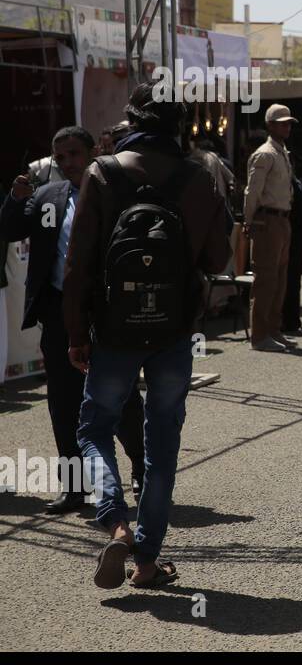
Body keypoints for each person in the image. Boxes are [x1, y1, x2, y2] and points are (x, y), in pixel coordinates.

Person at [64, 80, 232, 589]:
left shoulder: (103, 172)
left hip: (113, 329)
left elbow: (78, 267)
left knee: (94, 430)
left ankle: (116, 523)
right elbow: (217, 259)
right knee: (161, 446)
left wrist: (77, 335)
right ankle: (146, 562)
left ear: (132, 120)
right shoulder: (198, 177)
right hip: (173, 330)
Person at [0, 126, 145, 514]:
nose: (66, 163)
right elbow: (10, 230)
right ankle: (75, 487)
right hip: (60, 314)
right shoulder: (47, 196)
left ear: (92, 151)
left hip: (109, 310)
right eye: (59, 157)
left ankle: (142, 472)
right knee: (63, 403)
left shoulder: (118, 190)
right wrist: (15, 199)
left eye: (73, 154)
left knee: (122, 396)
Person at [243, 103, 299, 352]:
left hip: (282, 219)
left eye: (289, 123)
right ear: (270, 125)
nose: (287, 126)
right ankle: (259, 335)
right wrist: (249, 220)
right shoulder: (265, 153)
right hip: (267, 220)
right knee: (266, 279)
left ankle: (273, 330)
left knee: (279, 279)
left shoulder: (280, 152)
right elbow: (252, 190)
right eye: (282, 122)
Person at [282, 158, 302, 334]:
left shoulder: (293, 185)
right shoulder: (296, 184)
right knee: (290, 279)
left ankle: (290, 321)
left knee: (289, 279)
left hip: (294, 234)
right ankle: (290, 321)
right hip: (294, 234)